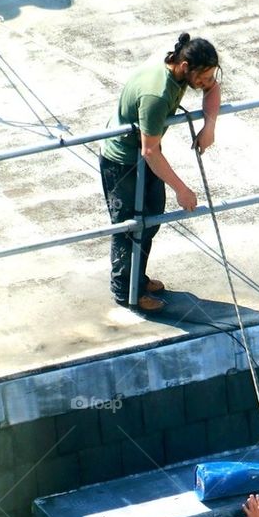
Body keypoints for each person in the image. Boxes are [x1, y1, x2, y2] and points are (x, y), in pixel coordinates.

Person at [99, 31, 221, 313]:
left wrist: (209, 126)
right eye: (201, 77)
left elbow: (213, 89)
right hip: (122, 162)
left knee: (151, 219)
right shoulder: (157, 93)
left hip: (147, 155)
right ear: (185, 67)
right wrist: (182, 189)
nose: (205, 82)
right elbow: (150, 151)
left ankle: (137, 279)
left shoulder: (181, 65)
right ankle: (126, 292)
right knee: (129, 227)